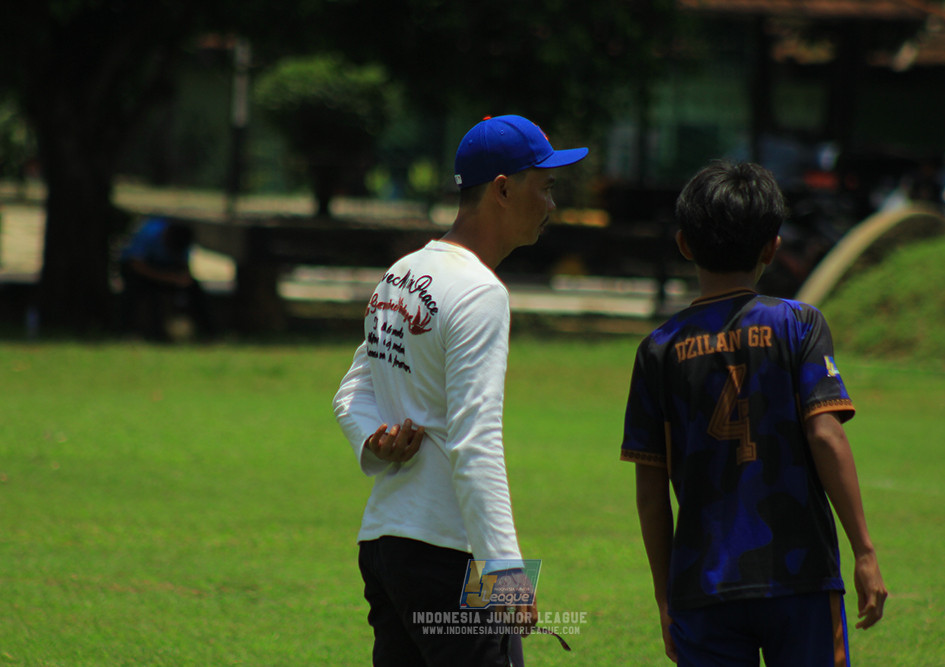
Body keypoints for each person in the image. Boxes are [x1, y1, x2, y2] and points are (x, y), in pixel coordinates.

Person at [333, 115, 588, 666]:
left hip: (386, 543)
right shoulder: (479, 292)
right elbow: (476, 438)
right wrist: (506, 571)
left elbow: (351, 391)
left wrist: (373, 439)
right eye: (545, 186)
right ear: (503, 189)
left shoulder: (402, 274)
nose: (551, 204)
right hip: (448, 552)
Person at [620, 160, 887, 666]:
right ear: (772, 247)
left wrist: (664, 596)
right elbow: (826, 435)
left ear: (684, 245)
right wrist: (865, 551)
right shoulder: (799, 324)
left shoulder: (658, 348)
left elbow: (651, 489)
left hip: (703, 585)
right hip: (801, 577)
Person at [118, 216, 215, 341]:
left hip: (167, 269)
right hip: (140, 270)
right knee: (133, 293)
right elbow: (136, 264)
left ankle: (210, 333)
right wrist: (167, 278)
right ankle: (124, 331)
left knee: (194, 288)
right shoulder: (149, 232)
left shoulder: (182, 239)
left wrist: (183, 279)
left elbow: (184, 265)